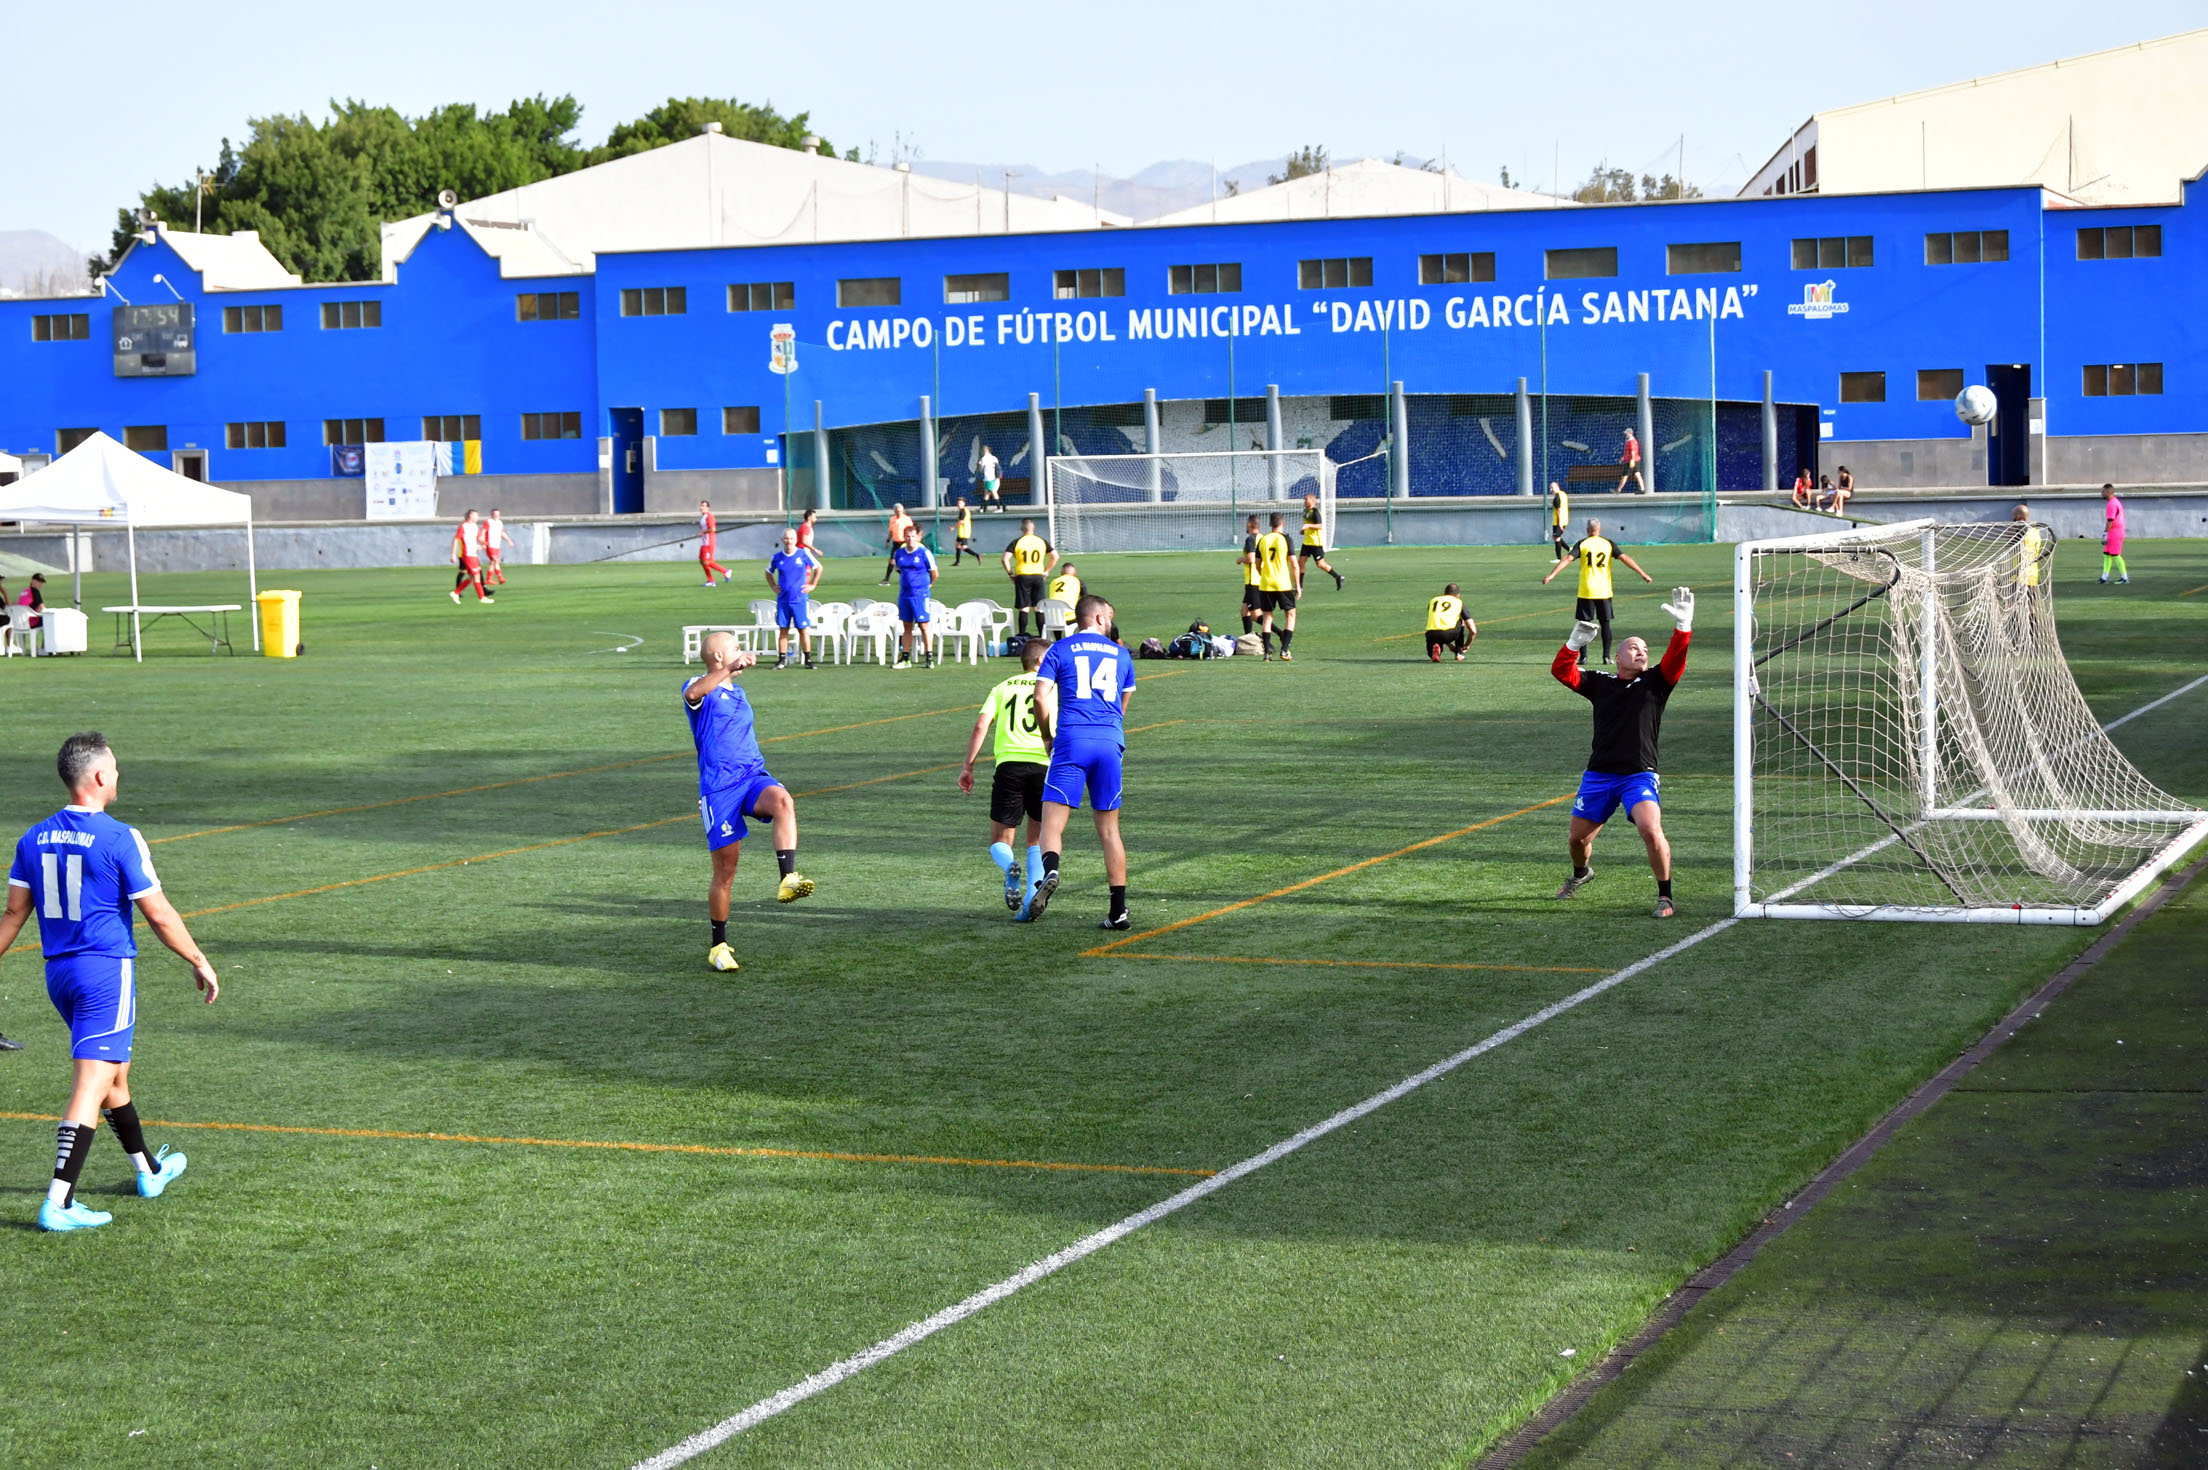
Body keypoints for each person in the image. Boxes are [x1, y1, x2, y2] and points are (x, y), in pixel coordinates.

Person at [1, 733, 218, 1231]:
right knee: (91, 1081)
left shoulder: (32, 837)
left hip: (59, 975)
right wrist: (198, 958)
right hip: (105, 974)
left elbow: (14, 913)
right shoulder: (121, 837)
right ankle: (59, 1202)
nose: (118, 775)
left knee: (115, 1075)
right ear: (99, 777)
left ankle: (149, 1170)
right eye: (115, 768)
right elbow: (159, 915)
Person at [1551, 591, 1695, 918]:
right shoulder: (1600, 682)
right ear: (1618, 657)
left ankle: (1665, 897)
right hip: (1599, 774)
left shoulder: (1657, 682)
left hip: (1638, 774)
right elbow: (1562, 673)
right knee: (1577, 840)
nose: (1641, 652)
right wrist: (1573, 644)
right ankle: (1580, 874)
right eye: (1634, 647)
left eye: (1645, 649)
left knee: (1650, 829)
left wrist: (1683, 625)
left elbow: (1676, 656)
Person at [683, 633, 812, 973]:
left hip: (753, 777)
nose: (743, 654)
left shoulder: (737, 692)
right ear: (720, 656)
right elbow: (693, 694)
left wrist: (731, 671)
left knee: (783, 800)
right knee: (726, 872)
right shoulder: (700, 688)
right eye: (736, 649)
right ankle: (718, 946)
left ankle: (788, 878)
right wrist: (729, 668)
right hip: (720, 789)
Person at [1029, 594, 1136, 929]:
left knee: (1052, 822)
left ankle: (1051, 871)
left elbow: (1039, 697)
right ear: (1101, 618)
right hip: (1108, 742)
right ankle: (1118, 911)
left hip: (1072, 741)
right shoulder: (1121, 654)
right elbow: (1124, 699)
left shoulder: (1058, 650)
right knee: (1109, 830)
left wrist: (1047, 735)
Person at [958, 640, 1051, 916]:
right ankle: (1031, 902)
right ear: (1039, 662)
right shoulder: (1052, 689)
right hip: (1043, 766)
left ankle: (1009, 865)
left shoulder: (1002, 687)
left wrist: (968, 766)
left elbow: (981, 725)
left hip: (1009, 766)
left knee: (1000, 839)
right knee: (1037, 839)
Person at [1542, 517, 1651, 668]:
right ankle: (1606, 656)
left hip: (1586, 590)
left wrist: (1552, 574)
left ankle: (1583, 657)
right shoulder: (1608, 543)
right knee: (1605, 624)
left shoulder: (1582, 544)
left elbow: (1568, 558)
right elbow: (1624, 558)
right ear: (1599, 529)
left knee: (1584, 624)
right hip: (1604, 590)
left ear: (1588, 530)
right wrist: (1642, 573)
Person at [765, 527, 821, 670]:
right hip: (783, 600)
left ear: (796, 540)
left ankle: (808, 660)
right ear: (782, 540)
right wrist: (773, 586)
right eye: (786, 538)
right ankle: (782, 660)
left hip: (799, 600)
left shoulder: (803, 554)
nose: (789, 541)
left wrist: (813, 585)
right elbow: (768, 572)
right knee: (783, 630)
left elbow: (818, 568)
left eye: (791, 538)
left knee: (803, 629)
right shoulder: (777, 557)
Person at [1252, 511, 1302, 661]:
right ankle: (1284, 650)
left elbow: (1257, 563)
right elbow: (1294, 564)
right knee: (1291, 614)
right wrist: (1298, 585)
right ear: (1283, 523)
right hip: (1283, 583)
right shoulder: (1286, 539)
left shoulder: (1263, 539)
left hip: (1266, 583)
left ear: (1270, 524)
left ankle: (1267, 654)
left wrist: (1263, 575)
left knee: (1267, 617)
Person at [891, 521, 939, 669]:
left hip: (920, 594)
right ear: (904, 538)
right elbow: (898, 569)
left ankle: (929, 657)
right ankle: (905, 658)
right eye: (907, 536)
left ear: (918, 537)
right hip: (904, 594)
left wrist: (927, 584)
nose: (910, 539)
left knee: (924, 625)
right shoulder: (899, 553)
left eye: (913, 536)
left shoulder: (924, 553)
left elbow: (935, 573)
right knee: (906, 626)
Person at [1003, 518, 1056, 637]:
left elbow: (1005, 558)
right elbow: (1055, 556)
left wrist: (1011, 573)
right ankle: (1042, 636)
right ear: (1033, 528)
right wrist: (1047, 571)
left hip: (1022, 576)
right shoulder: (1041, 541)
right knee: (1039, 607)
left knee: (1024, 607)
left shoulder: (1017, 542)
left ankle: (1022, 636)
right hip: (1038, 576)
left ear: (1022, 529)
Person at [1297, 492, 1345, 590]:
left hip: (1315, 543)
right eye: (1304, 499)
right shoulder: (1305, 511)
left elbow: (1320, 526)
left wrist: (1308, 526)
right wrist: (1303, 531)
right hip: (1307, 542)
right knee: (1301, 562)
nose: (1305, 501)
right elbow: (1308, 525)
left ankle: (1338, 576)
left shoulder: (1315, 512)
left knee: (1320, 564)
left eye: (1306, 499)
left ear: (1312, 500)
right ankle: (1299, 586)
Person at [1425, 583, 1477, 663]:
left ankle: (1437, 650)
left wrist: (1449, 644)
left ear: (1444, 593)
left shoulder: (1433, 600)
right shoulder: (1458, 602)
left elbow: (1439, 623)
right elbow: (1473, 631)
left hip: (1431, 634)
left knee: (1432, 651)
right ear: (1458, 595)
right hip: (1448, 634)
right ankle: (1459, 654)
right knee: (1461, 621)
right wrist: (1466, 645)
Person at [449, 510, 493, 604]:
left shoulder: (475, 526)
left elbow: (479, 538)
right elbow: (456, 540)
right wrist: (453, 554)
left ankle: (455, 593)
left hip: (474, 554)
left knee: (472, 578)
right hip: (467, 555)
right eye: (476, 515)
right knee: (476, 575)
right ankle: (481, 597)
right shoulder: (463, 526)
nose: (477, 517)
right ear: (470, 516)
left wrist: (484, 543)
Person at [1237, 513, 1264, 634]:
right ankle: (1248, 637)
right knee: (1244, 610)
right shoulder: (1263, 538)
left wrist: (1241, 560)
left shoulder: (1250, 539)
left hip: (1253, 581)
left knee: (1255, 614)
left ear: (1249, 524)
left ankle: (1280, 633)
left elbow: (1251, 559)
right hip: (1260, 578)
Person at [878, 503, 915, 586]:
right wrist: (888, 541)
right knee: (892, 561)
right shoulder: (892, 519)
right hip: (896, 543)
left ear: (902, 511)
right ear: (894, 511)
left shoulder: (907, 519)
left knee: (903, 563)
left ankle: (910, 578)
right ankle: (886, 579)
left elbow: (912, 531)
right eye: (897, 511)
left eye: (900, 511)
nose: (899, 513)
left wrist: (912, 541)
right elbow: (891, 531)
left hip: (904, 543)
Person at [697, 500, 732, 588]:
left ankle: (725, 571)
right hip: (704, 542)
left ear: (708, 508)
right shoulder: (703, 517)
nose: (701, 507)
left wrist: (703, 532)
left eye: (703, 506)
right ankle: (711, 581)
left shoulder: (709, 516)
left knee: (707, 561)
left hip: (709, 542)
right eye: (701, 505)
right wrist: (702, 533)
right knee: (702, 561)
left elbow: (713, 529)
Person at [2101, 483, 2129, 584]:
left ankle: (2124, 577)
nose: (2102, 494)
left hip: (2115, 533)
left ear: (2108, 492)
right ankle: (2104, 577)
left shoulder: (2112, 504)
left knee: (2116, 555)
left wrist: (2105, 533)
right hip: (2114, 532)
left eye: (2103, 492)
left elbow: (2110, 520)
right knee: (2107, 555)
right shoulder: (2114, 502)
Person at [482, 509, 512, 587]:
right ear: (491, 514)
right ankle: (500, 578)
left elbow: (502, 533)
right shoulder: (488, 522)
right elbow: (483, 532)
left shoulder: (499, 523)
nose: (496, 515)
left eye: (497, 514)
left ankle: (489, 579)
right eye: (494, 514)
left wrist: (509, 540)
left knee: (492, 562)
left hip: (497, 545)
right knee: (496, 560)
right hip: (490, 544)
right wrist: (483, 542)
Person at [950, 498, 979, 566]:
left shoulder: (962, 511)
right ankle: (957, 562)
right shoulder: (966, 510)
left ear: (964, 504)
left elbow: (961, 522)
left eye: (960, 503)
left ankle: (977, 555)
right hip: (963, 531)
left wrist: (953, 527)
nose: (958, 504)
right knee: (957, 545)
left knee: (964, 547)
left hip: (963, 532)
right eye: (958, 503)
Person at [1616, 428, 1646, 493]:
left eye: (1627, 433)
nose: (1626, 435)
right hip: (1636, 460)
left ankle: (1618, 490)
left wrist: (1632, 459)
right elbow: (1629, 452)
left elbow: (1633, 451)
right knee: (1637, 474)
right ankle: (1642, 489)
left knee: (1625, 475)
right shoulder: (1634, 441)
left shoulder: (1631, 441)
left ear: (1630, 433)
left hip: (1631, 461)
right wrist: (1623, 457)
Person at [1547, 483, 1571, 560]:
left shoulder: (1557, 498)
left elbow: (1559, 510)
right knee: (1556, 537)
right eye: (1550, 488)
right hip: (1564, 520)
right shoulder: (1564, 494)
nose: (1551, 490)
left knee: (1556, 537)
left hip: (1559, 521)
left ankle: (1558, 558)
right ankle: (1569, 549)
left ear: (1557, 487)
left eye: (1552, 488)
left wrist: (1560, 523)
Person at [977, 445, 1002, 512]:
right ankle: (982, 508)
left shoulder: (984, 459)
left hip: (988, 478)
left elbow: (981, 470)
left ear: (985, 451)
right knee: (987, 493)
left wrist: (979, 464)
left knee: (993, 492)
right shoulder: (994, 458)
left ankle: (999, 508)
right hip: (995, 478)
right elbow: (997, 468)